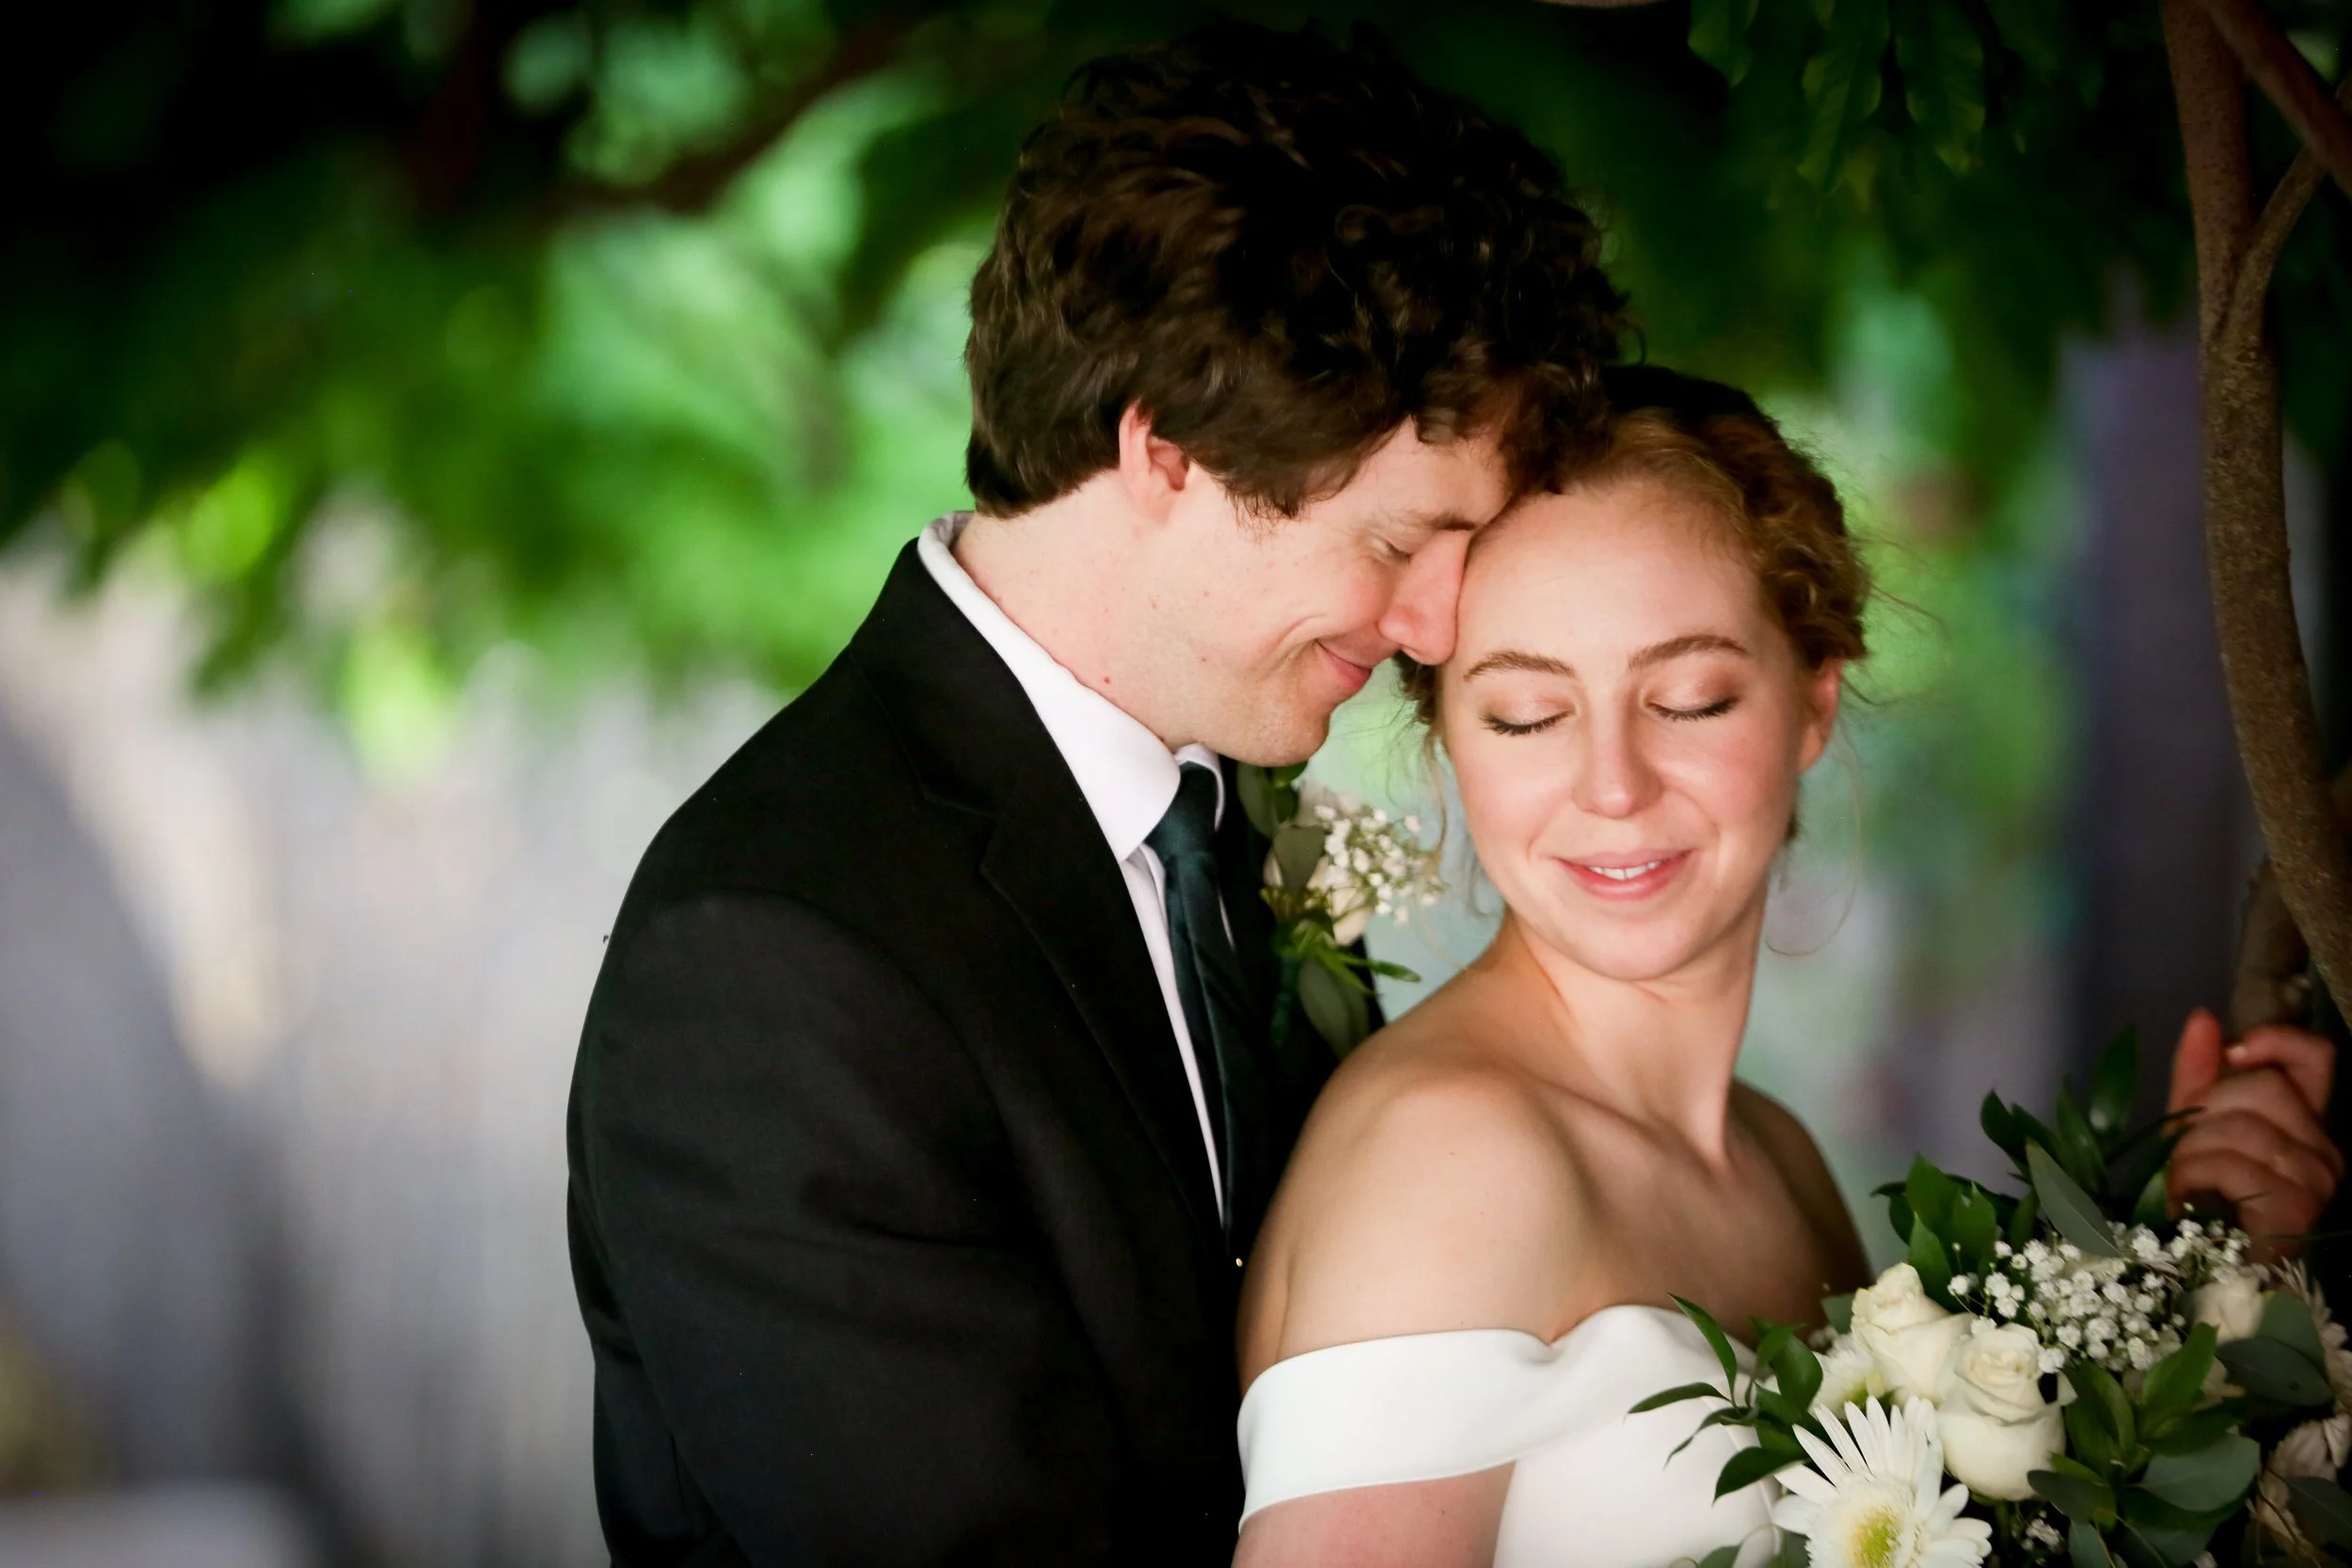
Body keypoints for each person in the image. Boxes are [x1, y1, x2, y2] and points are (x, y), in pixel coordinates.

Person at [564, 23, 1627, 1565]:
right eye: (1400, 546)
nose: (1438, 628)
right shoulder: (777, 962)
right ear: (1166, 450)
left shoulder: (1232, 825)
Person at [1230, 366, 2346, 1567]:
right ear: (1448, 737)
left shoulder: (1778, 1153)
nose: (1613, 785)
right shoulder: (1452, 1159)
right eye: (1523, 714)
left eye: (1692, 698)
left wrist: (2195, 1273)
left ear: (1813, 698)